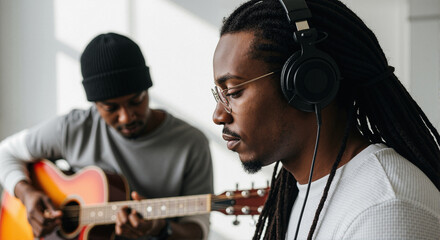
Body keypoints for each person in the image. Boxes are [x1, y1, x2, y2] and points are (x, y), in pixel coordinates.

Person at [211, 0, 440, 239]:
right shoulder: (296, 193)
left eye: (234, 92)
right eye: (219, 94)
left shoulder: (386, 208)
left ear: (307, 84)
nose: (218, 116)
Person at [0, 32, 213, 239]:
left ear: (147, 89)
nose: (126, 117)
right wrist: (26, 194)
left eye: (136, 100)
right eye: (110, 108)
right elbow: (5, 153)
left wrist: (159, 228)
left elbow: (197, 230)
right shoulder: (73, 128)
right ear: (95, 104)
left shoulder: (191, 144)